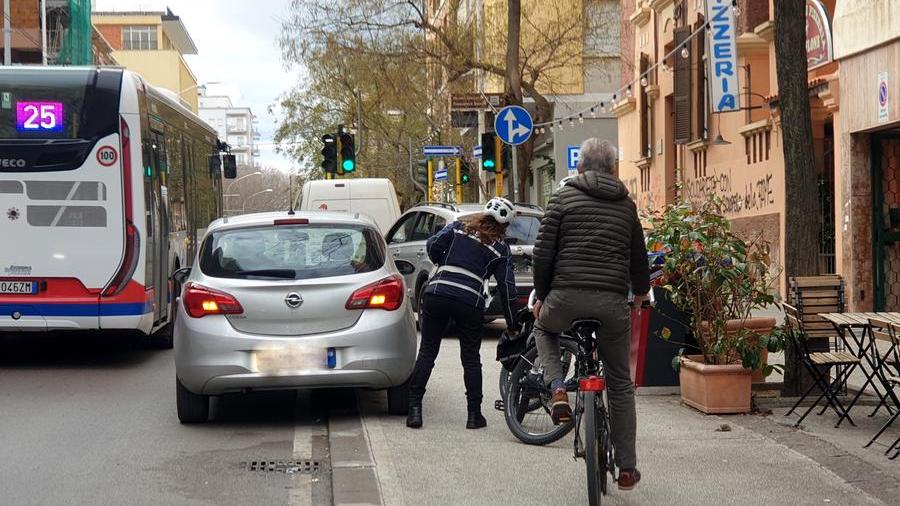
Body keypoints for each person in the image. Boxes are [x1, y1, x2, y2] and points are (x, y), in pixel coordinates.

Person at [531, 138, 650, 491]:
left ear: (579, 167)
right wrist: (640, 295)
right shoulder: (627, 206)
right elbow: (638, 260)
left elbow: (542, 254)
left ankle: (557, 391)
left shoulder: (562, 199)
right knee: (619, 384)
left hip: (564, 300)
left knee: (543, 328)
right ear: (613, 169)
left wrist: (542, 295)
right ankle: (626, 467)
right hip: (612, 305)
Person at [407, 197, 521, 430]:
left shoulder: (459, 227)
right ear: (505, 225)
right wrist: (513, 323)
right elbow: (508, 288)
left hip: (436, 293)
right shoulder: (501, 248)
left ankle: (414, 411)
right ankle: (473, 415)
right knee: (470, 357)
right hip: (469, 301)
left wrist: (443, 261)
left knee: (428, 351)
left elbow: (433, 245)